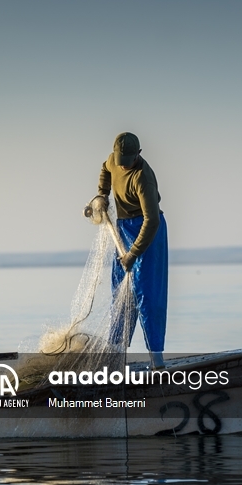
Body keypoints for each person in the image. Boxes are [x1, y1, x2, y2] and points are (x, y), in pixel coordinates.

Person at [89, 132, 168, 368]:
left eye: (127, 160)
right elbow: (105, 169)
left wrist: (133, 254)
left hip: (148, 232)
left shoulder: (143, 178)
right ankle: (116, 355)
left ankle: (156, 358)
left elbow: (151, 220)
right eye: (119, 159)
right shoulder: (114, 160)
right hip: (122, 229)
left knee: (147, 294)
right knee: (121, 294)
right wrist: (102, 195)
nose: (122, 165)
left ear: (138, 155)